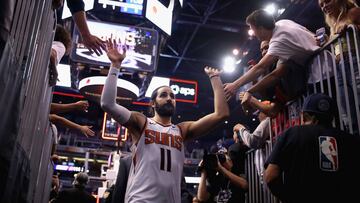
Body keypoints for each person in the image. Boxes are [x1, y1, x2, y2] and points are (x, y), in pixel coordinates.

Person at [100, 39, 229, 203]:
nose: (169, 99)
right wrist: (115, 66)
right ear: (153, 104)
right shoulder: (142, 123)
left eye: (172, 96)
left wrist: (215, 78)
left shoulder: (182, 130)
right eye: (163, 95)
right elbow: (107, 104)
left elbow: (221, 114)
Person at [264, 93, 360, 203]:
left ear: (304, 115)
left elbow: (271, 176)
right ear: (332, 117)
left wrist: (288, 197)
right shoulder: (352, 141)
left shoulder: (292, 134)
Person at [224, 9, 319, 103]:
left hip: (321, 74)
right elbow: (275, 74)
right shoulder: (283, 22)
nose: (254, 35)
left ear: (260, 28)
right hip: (322, 68)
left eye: (253, 30)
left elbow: (260, 67)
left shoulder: (278, 41)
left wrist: (234, 85)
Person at [318, 0, 360, 134]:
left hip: (355, 60)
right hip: (340, 67)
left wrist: (350, 27)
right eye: (322, 5)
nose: (325, 6)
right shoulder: (332, 25)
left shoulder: (353, 12)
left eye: (327, 1)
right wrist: (327, 41)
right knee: (346, 105)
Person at [233, 101, 271, 181]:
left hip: (269, 171)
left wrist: (240, 128)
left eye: (259, 113)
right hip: (266, 171)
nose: (258, 116)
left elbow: (252, 142)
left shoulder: (267, 120)